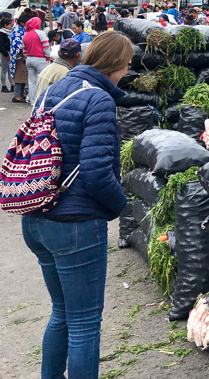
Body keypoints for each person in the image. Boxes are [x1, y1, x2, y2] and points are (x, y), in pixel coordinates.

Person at [21, 30, 131, 379]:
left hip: (36, 215)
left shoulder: (53, 89)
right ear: (115, 64)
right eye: (127, 65)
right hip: (75, 224)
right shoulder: (98, 99)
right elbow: (98, 173)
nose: (127, 72)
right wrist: (121, 206)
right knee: (84, 323)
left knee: (62, 313)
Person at [23, 16, 52, 104]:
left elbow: (24, 49)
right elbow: (46, 46)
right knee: (42, 80)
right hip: (40, 59)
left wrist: (26, 57)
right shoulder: (40, 33)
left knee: (32, 81)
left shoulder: (26, 34)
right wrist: (48, 57)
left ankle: (33, 101)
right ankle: (41, 101)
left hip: (29, 59)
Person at [9, 14, 28, 103]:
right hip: (19, 56)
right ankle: (17, 96)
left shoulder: (19, 29)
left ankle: (21, 94)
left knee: (23, 76)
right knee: (19, 77)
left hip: (20, 56)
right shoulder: (18, 31)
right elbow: (18, 45)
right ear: (22, 22)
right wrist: (23, 55)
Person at [0, 17, 11, 93]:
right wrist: (6, 54)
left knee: (11, 70)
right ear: (5, 25)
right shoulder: (2, 33)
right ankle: (4, 85)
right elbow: (1, 46)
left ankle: (12, 84)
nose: (12, 27)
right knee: (4, 70)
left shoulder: (10, 33)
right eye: (10, 25)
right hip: (5, 53)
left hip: (10, 52)